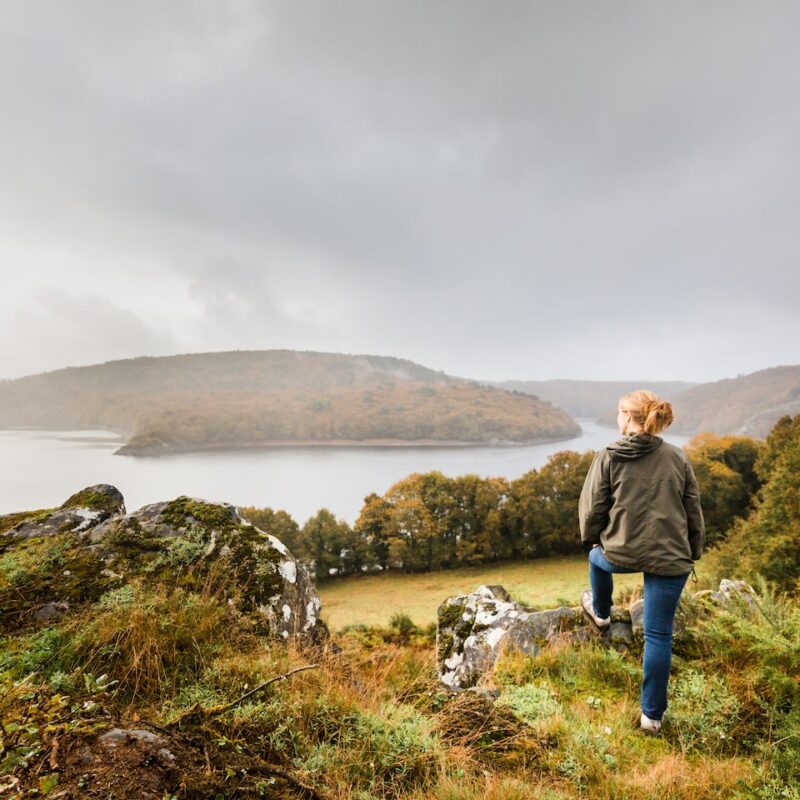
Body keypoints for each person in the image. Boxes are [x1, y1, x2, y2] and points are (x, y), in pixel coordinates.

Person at [578, 389, 704, 735]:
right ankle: (652, 718)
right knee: (658, 635)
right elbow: (693, 510)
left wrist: (591, 537)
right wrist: (693, 550)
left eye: (619, 413)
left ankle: (601, 614)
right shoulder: (678, 457)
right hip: (672, 557)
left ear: (627, 416)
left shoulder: (609, 455)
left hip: (620, 554)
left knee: (595, 557)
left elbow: (592, 508)